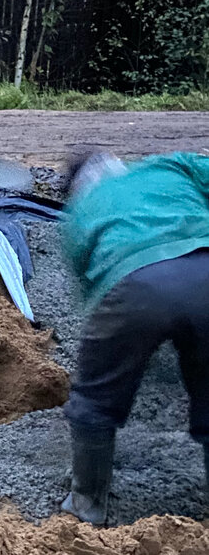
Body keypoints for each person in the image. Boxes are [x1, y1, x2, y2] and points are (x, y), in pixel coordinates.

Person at [60, 150, 209, 525]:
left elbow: (90, 288)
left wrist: (125, 348)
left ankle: (87, 507)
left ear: (77, 187)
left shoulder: (79, 211)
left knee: (94, 401)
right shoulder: (170, 165)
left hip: (130, 284)